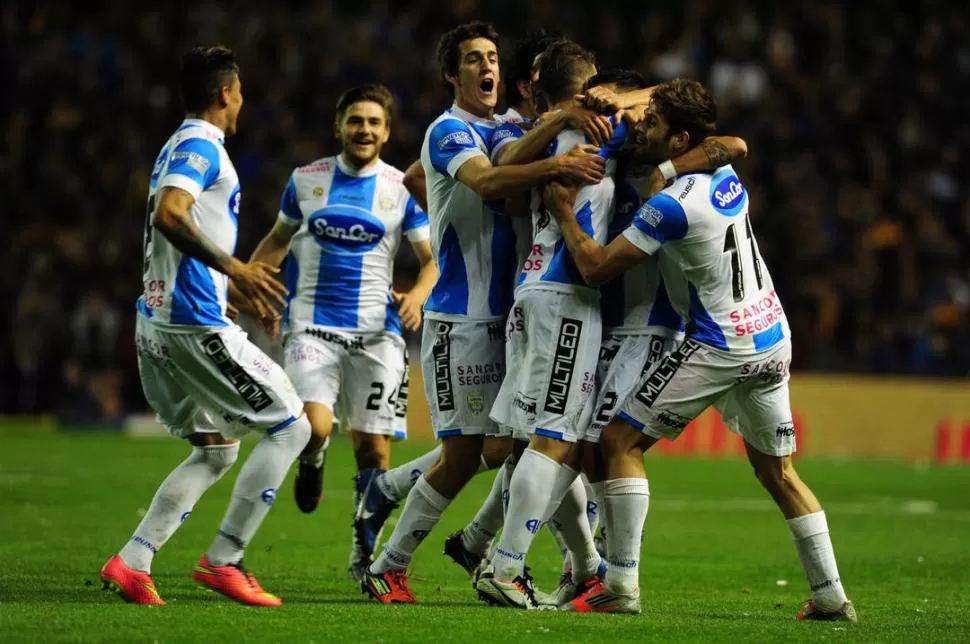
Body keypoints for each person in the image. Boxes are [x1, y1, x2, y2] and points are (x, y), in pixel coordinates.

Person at [543, 78, 856, 622]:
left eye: (655, 122)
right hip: (771, 336)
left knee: (619, 440)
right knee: (778, 472)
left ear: (679, 136)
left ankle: (620, 586)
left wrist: (564, 211)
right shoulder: (725, 177)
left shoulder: (671, 207)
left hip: (720, 344)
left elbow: (595, 267)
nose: (644, 125)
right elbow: (730, 145)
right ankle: (831, 596)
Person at [360, 21, 606, 605]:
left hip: (511, 315)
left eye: (492, 56)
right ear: (453, 74)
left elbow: (419, 177)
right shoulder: (448, 130)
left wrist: (554, 125)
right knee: (467, 455)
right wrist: (553, 166)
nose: (487, 67)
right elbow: (491, 181)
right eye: (473, 59)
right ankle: (388, 562)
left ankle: (576, 563)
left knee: (527, 445)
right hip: (461, 318)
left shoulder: (507, 127)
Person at [98, 45, 310, 607]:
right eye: (240, 92)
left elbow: (179, 236)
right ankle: (225, 560)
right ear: (225, 94)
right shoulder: (200, 146)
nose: (243, 102)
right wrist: (235, 268)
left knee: (217, 449)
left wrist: (232, 287)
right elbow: (171, 214)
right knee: (293, 426)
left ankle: (133, 559)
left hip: (157, 324)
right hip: (192, 328)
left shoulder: (175, 144)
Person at [247, 84, 437, 581]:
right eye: (356, 121)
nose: (365, 130)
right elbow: (275, 241)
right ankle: (312, 461)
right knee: (315, 425)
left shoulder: (400, 189)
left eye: (374, 122)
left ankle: (363, 549)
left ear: (387, 132)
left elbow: (433, 262)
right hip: (312, 327)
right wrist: (253, 287)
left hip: (379, 336)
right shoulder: (306, 180)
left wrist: (417, 295)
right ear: (340, 127)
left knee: (374, 452)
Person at [476, 39, 619, 609]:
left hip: (532, 290)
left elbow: (503, 171)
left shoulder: (531, 139)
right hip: (567, 294)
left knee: (539, 436)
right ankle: (504, 567)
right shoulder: (605, 132)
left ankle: (573, 564)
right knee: (558, 434)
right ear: (589, 88)